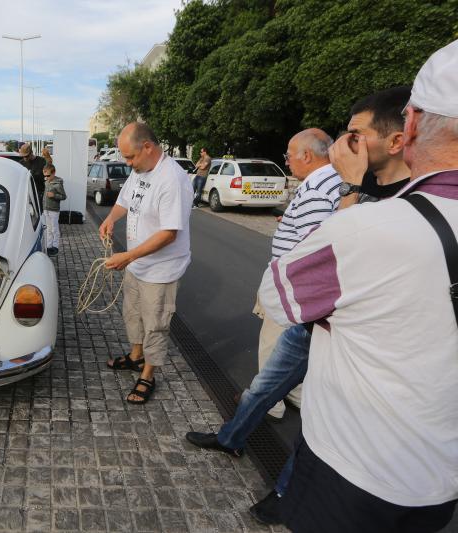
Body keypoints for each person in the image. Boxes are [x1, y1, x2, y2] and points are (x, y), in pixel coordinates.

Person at [257, 40, 458, 533]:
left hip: (354, 471)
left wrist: (348, 189)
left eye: (354, 135)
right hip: (439, 479)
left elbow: (276, 294)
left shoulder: (371, 227)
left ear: (408, 126)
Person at [231, 87, 414, 526]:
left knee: (320, 421)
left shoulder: (386, 195)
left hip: (339, 326)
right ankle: (236, 440)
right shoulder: (365, 187)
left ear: (396, 140)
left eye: (355, 134)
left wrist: (348, 186)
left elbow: (333, 253)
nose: (344, 144)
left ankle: (286, 491)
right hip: (320, 319)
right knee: (287, 394)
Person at [186, 128, 341, 504]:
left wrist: (286, 294)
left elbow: (315, 251)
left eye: (289, 154)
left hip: (295, 300)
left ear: (307, 155)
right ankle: (237, 433)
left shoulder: (321, 190)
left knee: (269, 375)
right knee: (282, 381)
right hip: (298, 298)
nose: (286, 160)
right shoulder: (327, 186)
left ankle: (265, 420)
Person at [99, 122, 193, 404]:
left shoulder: (172, 179)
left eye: (130, 157)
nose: (128, 164)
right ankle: (136, 357)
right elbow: (124, 201)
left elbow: (169, 233)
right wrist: (110, 218)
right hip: (137, 264)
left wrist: (127, 256)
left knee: (155, 323)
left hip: (161, 269)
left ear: (148, 147)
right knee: (134, 314)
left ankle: (148, 374)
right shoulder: (140, 171)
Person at [42, 163, 66, 257]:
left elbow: (64, 196)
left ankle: (55, 247)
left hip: (54, 210)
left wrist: (54, 195)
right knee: (48, 229)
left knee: (54, 229)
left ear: (53, 173)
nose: (46, 178)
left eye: (48, 176)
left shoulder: (58, 184)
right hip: (46, 209)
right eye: (45, 176)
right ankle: (49, 246)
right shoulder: (46, 182)